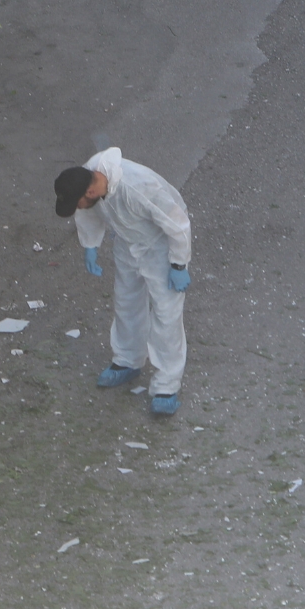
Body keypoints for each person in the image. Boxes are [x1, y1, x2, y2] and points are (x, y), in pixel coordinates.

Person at [54, 147, 192, 415]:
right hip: (128, 239)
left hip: (159, 244)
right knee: (126, 300)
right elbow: (87, 211)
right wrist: (90, 244)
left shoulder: (140, 187)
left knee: (166, 313)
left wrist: (178, 263)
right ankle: (128, 360)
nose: (77, 209)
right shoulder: (87, 175)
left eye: (77, 203)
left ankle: (167, 385)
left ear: (91, 193)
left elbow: (177, 224)